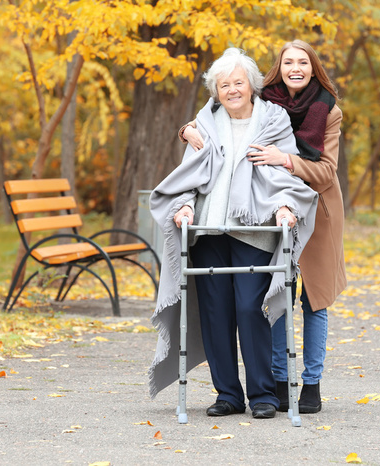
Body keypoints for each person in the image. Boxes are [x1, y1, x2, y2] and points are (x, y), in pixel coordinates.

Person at [148, 48, 318, 420]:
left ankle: (263, 395)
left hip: (253, 229)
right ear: (215, 90)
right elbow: (189, 174)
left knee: (249, 308)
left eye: (238, 82)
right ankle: (227, 393)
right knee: (215, 312)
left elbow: (282, 174)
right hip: (208, 230)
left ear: (252, 85)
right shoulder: (203, 123)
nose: (232, 90)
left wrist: (284, 206)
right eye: (224, 85)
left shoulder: (274, 119)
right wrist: (186, 205)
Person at [180, 40, 347, 414]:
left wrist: (285, 180)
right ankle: (242, 391)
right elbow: (190, 160)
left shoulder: (307, 113)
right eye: (288, 61)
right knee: (228, 309)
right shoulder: (236, 109)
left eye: (303, 61)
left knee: (296, 302)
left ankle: (301, 386)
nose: (233, 89)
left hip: (302, 213)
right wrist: (184, 201)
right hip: (220, 225)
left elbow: (317, 172)